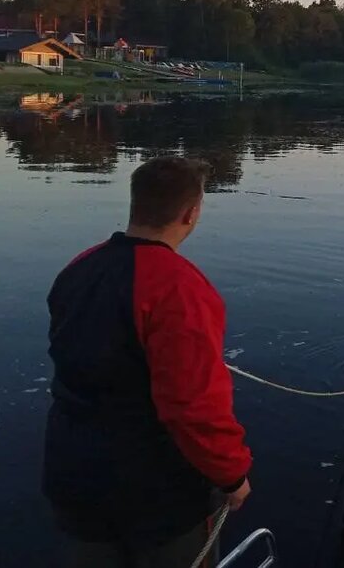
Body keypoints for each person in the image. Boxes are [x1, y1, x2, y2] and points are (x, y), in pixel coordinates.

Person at [43, 156, 252, 568]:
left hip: (72, 475)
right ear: (191, 213)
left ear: (136, 205)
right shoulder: (179, 287)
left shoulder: (79, 268)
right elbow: (192, 405)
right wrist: (232, 473)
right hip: (155, 494)